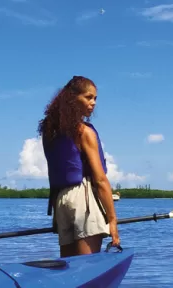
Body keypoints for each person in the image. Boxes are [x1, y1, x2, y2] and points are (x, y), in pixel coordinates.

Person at [38, 75, 120, 257]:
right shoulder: (84, 132)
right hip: (83, 198)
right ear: (72, 98)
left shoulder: (49, 132)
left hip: (61, 201)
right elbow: (99, 179)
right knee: (86, 267)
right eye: (88, 97)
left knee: (69, 269)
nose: (93, 103)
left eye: (95, 99)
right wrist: (113, 221)